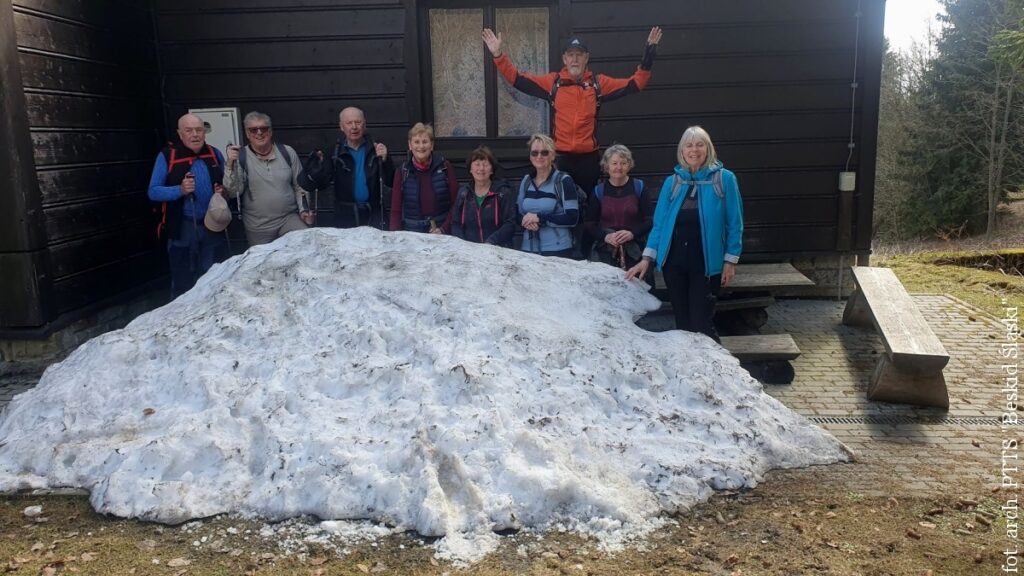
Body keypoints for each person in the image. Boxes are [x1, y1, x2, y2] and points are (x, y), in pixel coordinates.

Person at [481, 26, 662, 196]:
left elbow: (636, 84)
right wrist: (498, 54)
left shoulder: (598, 84)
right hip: (562, 157)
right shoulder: (554, 83)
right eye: (571, 55)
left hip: (588, 159)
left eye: (579, 55)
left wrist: (649, 54)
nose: (575, 59)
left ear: (586, 58)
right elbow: (517, 79)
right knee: (561, 204)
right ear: (565, 59)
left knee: (589, 206)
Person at [625, 126, 743, 343]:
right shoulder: (673, 183)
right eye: (689, 145)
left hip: (707, 264)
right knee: (683, 323)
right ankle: (692, 373)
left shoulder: (724, 179)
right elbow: (659, 224)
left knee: (701, 323)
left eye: (699, 144)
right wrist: (646, 258)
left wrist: (730, 260)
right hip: (675, 263)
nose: (694, 150)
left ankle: (718, 371)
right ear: (682, 150)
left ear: (708, 149)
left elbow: (735, 223)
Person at [148, 113, 229, 298]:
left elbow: (227, 186)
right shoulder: (168, 156)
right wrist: (180, 190)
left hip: (212, 226)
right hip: (182, 229)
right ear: (180, 133)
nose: (195, 135)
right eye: (189, 130)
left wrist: (223, 193)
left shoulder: (214, 154)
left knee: (216, 279)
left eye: (199, 130)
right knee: (183, 282)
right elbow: (153, 191)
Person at [223, 111, 311, 246]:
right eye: (253, 130)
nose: (259, 133)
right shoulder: (240, 157)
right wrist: (230, 164)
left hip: (288, 218)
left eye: (263, 128)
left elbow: (300, 185)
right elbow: (233, 191)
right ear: (247, 134)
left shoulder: (287, 152)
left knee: (305, 244)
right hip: (258, 226)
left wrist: (304, 209)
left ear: (270, 132)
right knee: (263, 264)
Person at [299, 107, 394, 229]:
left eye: (358, 122)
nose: (354, 127)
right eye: (349, 123)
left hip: (374, 214)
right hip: (345, 216)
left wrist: (386, 160)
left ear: (364, 125)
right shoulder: (334, 151)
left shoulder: (376, 149)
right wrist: (316, 168)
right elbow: (315, 185)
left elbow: (391, 181)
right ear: (341, 126)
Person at [587, 144, 653, 271]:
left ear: (629, 165)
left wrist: (632, 234)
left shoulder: (639, 187)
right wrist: (605, 237)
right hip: (605, 253)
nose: (618, 167)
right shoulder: (598, 191)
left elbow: (649, 220)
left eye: (623, 163)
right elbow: (589, 224)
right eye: (614, 163)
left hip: (635, 253)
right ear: (607, 166)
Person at [517, 134, 580, 258]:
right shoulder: (526, 181)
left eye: (544, 152)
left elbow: (573, 218)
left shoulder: (564, 181)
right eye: (534, 153)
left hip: (558, 250)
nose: (539, 156)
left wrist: (540, 218)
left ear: (552, 155)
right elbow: (517, 214)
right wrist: (526, 221)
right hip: (528, 250)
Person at [389, 123, 459, 233]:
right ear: (410, 145)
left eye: (425, 142)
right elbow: (396, 210)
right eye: (416, 142)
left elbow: (456, 203)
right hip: (412, 232)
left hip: (440, 230)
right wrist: (394, 236)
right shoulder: (402, 171)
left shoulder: (445, 167)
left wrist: (443, 229)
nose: (421, 146)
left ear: (431, 145)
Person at [450, 146, 515, 246]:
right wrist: (463, 244)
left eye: (485, 165)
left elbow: (510, 223)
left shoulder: (502, 193)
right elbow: (455, 223)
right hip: (469, 251)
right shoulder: (463, 193)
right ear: (470, 169)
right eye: (477, 164)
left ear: (492, 170)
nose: (481, 168)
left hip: (498, 250)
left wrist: (491, 242)